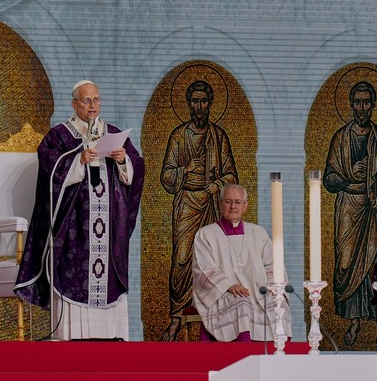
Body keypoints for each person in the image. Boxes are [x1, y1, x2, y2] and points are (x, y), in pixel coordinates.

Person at [14, 80, 145, 340]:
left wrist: (123, 160)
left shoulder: (114, 132)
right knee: (74, 272)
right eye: (87, 101)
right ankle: (73, 339)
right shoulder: (59, 135)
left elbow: (136, 169)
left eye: (97, 100)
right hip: (74, 227)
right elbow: (49, 168)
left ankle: (111, 337)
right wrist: (78, 160)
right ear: (74, 104)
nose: (93, 105)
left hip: (109, 227)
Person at [159, 80, 238, 340]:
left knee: (213, 261)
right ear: (189, 104)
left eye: (204, 101)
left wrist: (214, 187)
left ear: (210, 103)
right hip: (186, 205)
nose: (199, 106)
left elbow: (231, 176)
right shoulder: (179, 136)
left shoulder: (220, 136)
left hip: (211, 205)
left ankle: (215, 316)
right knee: (182, 259)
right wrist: (186, 170)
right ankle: (176, 318)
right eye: (195, 101)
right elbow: (166, 177)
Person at [323, 81, 377, 347]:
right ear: (351, 105)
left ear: (373, 105)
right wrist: (348, 175)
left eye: (367, 102)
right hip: (348, 206)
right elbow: (329, 180)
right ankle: (353, 320)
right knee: (346, 263)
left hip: (374, 209)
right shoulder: (340, 138)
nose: (362, 108)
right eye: (357, 102)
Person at [191, 184, 292, 342]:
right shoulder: (206, 234)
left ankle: (278, 357)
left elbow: (273, 265)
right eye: (228, 201)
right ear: (220, 204)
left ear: (245, 206)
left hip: (260, 292)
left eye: (238, 202)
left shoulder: (258, 233)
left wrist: (274, 288)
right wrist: (229, 286)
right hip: (225, 294)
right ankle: (243, 354)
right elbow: (204, 270)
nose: (233, 207)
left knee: (279, 305)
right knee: (242, 303)